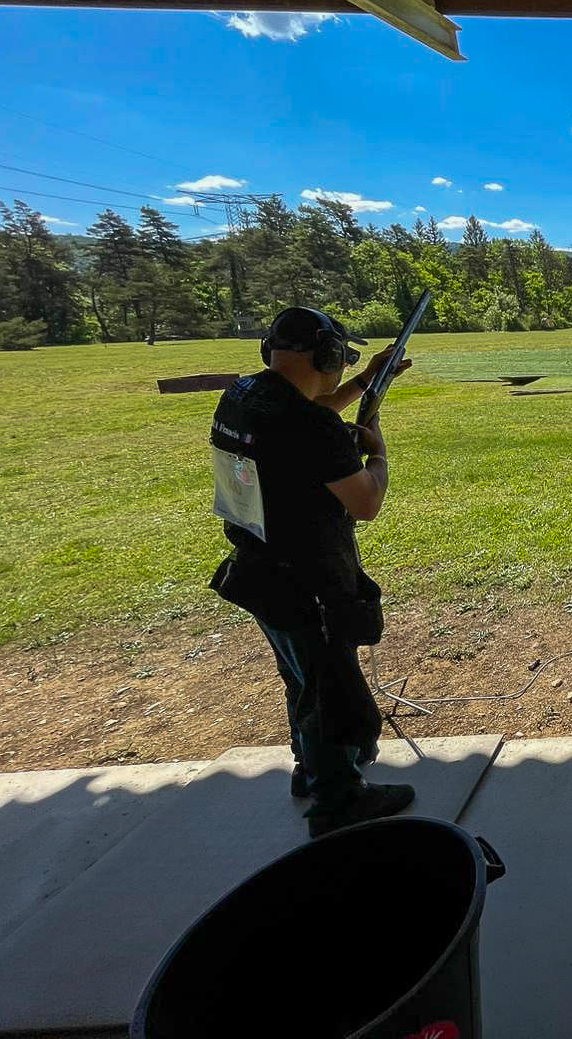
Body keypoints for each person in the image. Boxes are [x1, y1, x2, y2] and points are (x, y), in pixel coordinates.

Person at [207, 305, 415, 837]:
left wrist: (369, 380)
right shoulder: (312, 427)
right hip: (308, 577)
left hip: (258, 567)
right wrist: (380, 457)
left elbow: (314, 408)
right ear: (325, 356)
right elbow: (365, 502)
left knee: (301, 679)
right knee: (331, 690)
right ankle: (338, 802)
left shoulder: (244, 396)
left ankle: (311, 767)